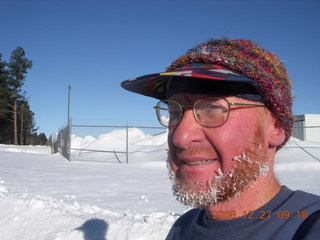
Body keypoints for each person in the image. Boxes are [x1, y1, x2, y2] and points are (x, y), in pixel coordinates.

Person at [121, 39, 320, 239]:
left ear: (276, 127)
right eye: (174, 111)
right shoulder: (183, 228)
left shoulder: (309, 224)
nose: (180, 137)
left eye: (213, 108)